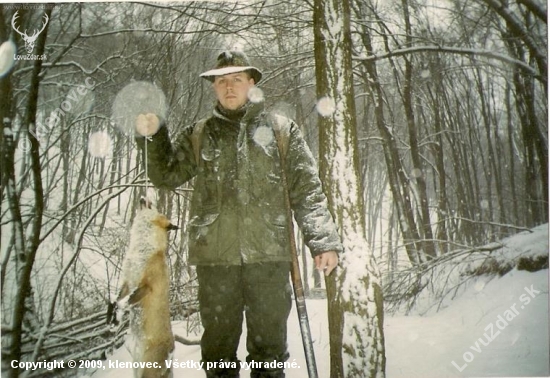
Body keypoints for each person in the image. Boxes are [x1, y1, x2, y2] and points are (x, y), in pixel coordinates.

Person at [135, 50, 343, 378]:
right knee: (218, 355)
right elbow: (166, 175)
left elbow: (308, 193)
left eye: (236, 79)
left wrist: (323, 242)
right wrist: (153, 134)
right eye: (221, 81)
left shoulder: (281, 131)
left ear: (251, 83)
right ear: (213, 87)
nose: (229, 87)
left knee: (270, 355)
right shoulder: (199, 133)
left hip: (269, 261)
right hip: (216, 264)